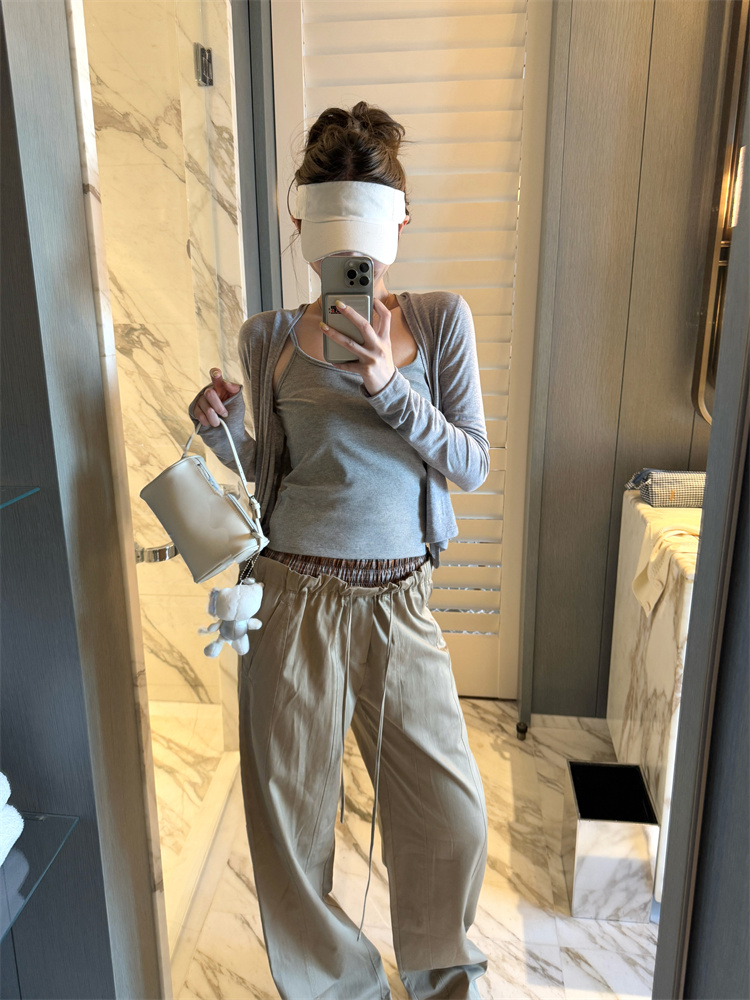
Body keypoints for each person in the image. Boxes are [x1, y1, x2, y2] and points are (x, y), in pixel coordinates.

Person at [188, 102, 490, 1000]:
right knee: (290, 822)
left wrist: (389, 386)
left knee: (451, 817)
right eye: (330, 234)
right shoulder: (270, 337)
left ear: (400, 223)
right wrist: (220, 430)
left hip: (400, 600)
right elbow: (265, 474)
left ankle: (444, 978)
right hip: (292, 596)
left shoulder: (438, 321)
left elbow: (470, 463)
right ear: (302, 229)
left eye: (368, 231)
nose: (352, 257)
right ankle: (337, 988)